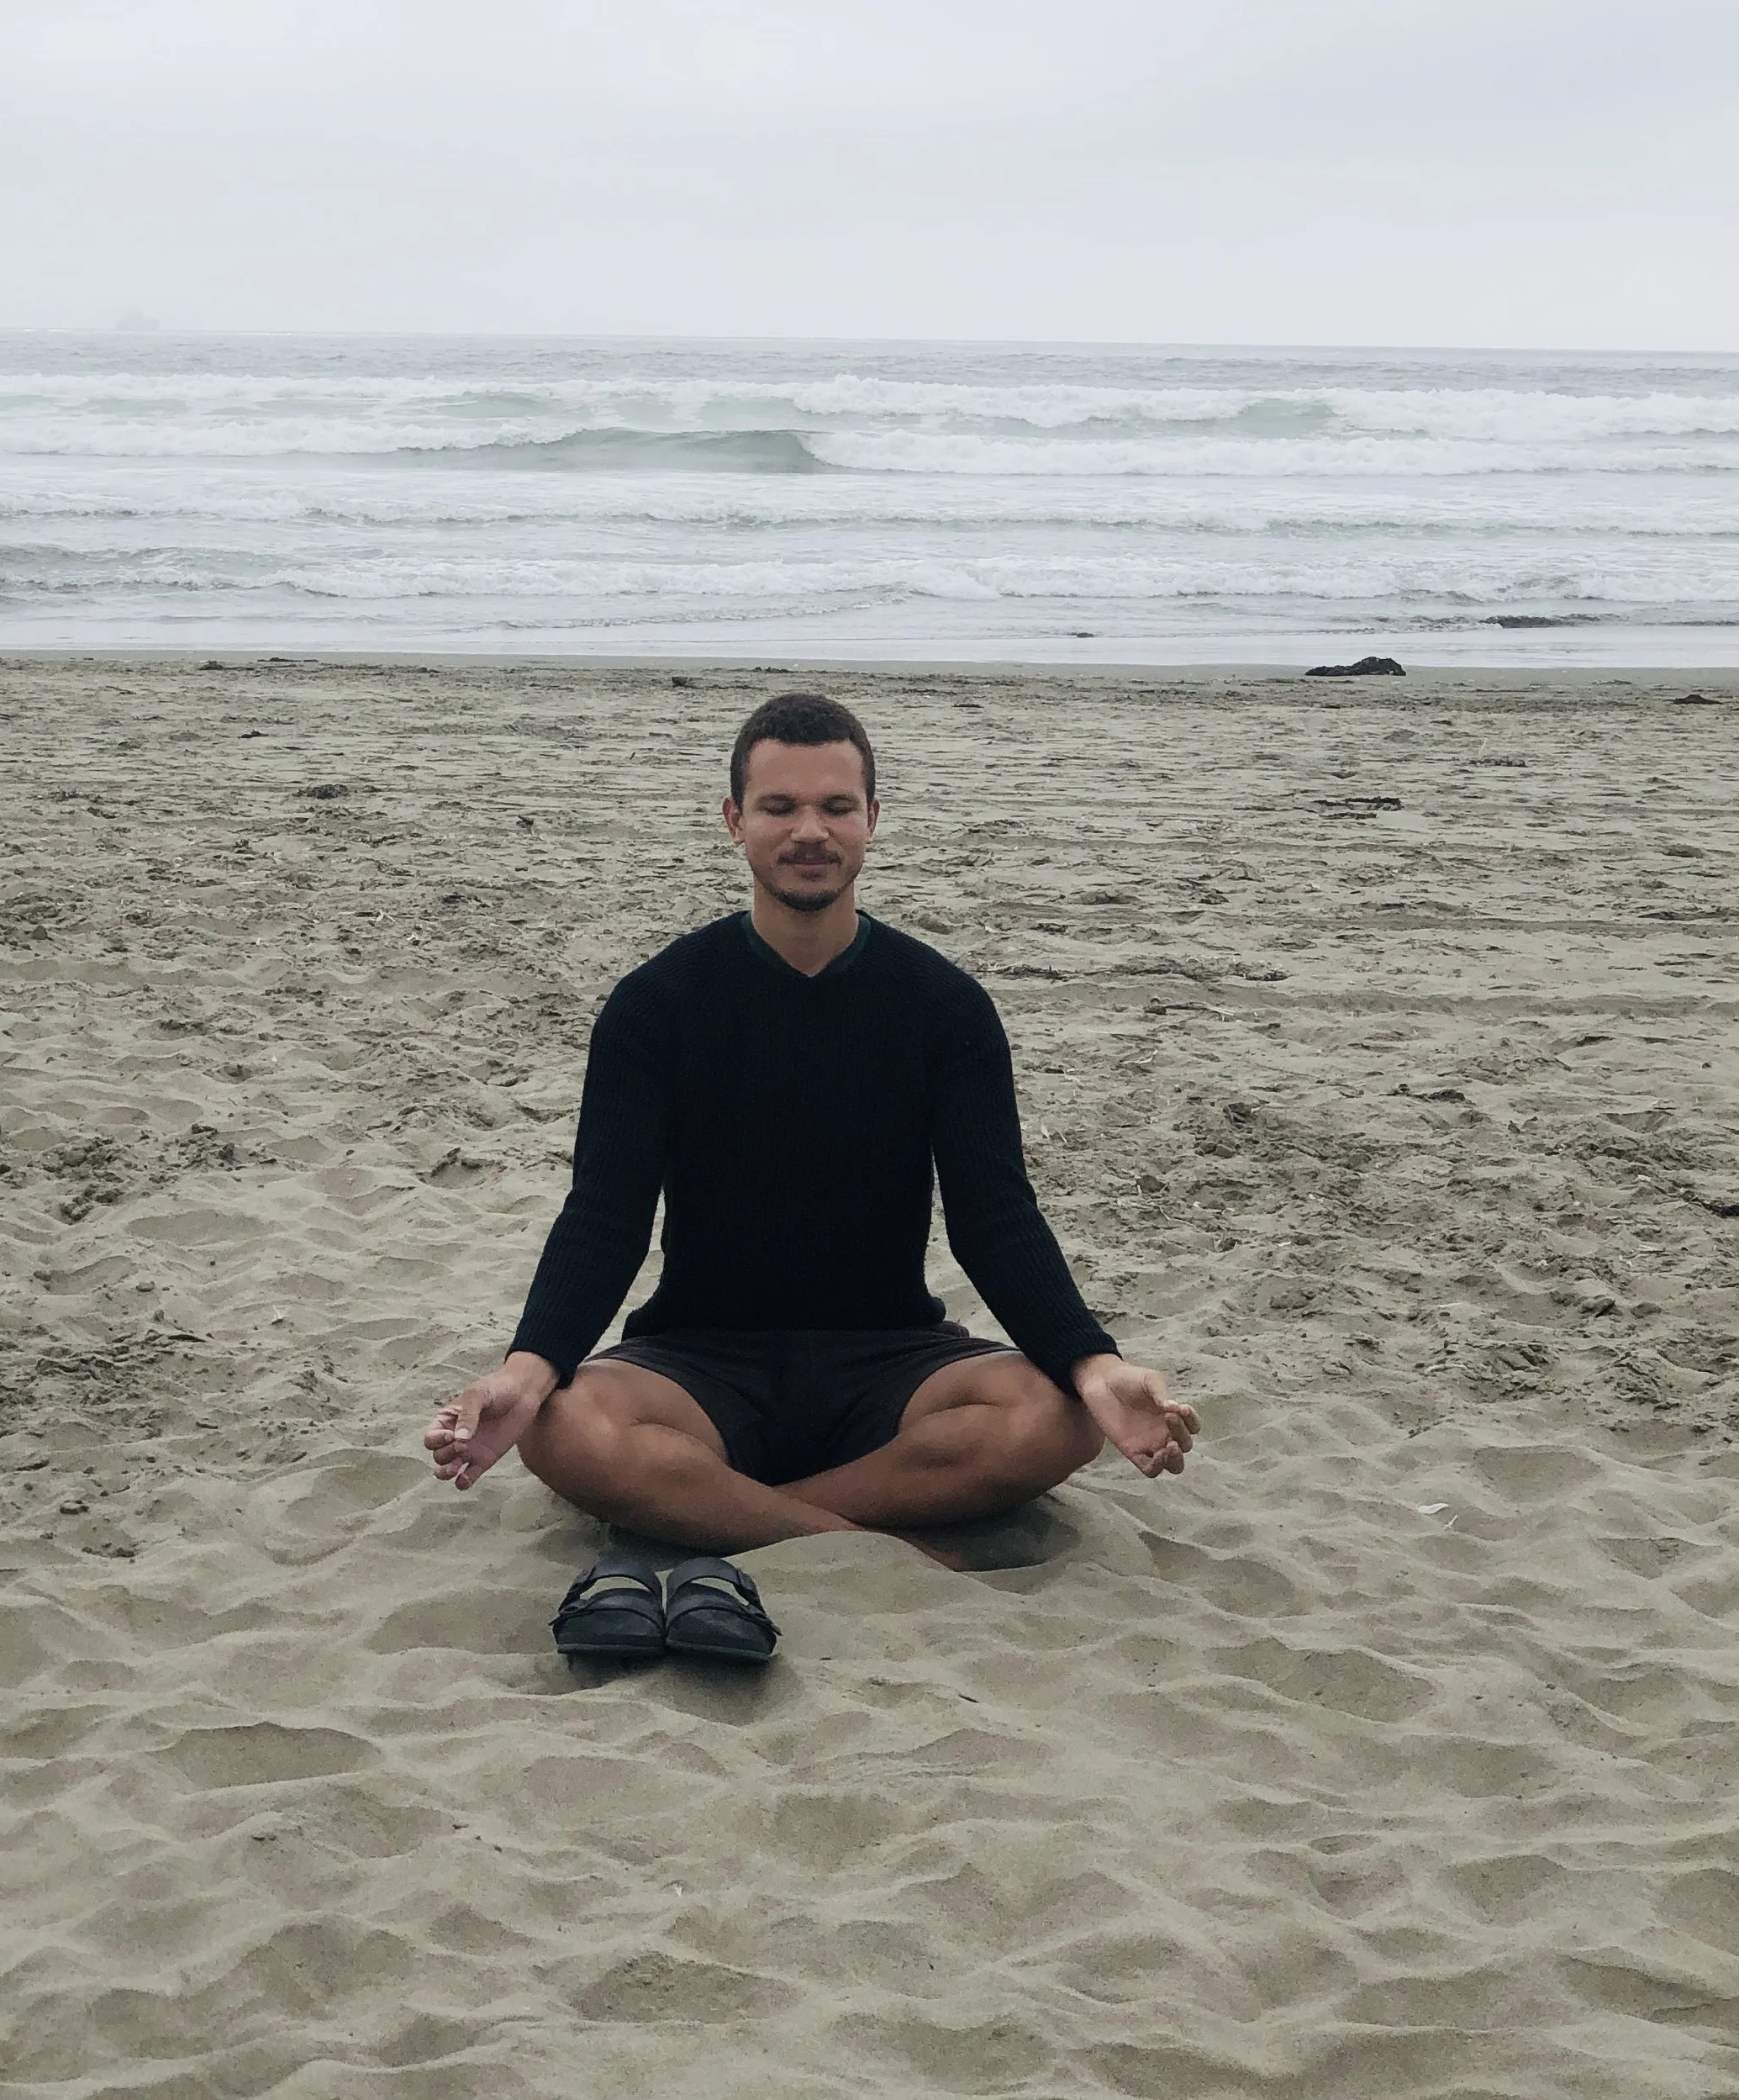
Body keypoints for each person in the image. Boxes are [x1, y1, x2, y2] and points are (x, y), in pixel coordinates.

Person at [425, 692, 1197, 1627]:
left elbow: (993, 1216)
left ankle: (739, 1515)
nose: (808, 831)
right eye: (780, 807)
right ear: (734, 821)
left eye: (835, 807)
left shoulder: (942, 1007)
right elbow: (605, 1215)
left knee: (1058, 1417)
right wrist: (526, 1367)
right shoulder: (657, 1004)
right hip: (697, 1362)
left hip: (890, 1358)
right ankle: (870, 1545)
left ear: (872, 820)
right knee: (560, 1427)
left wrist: (1094, 1363)